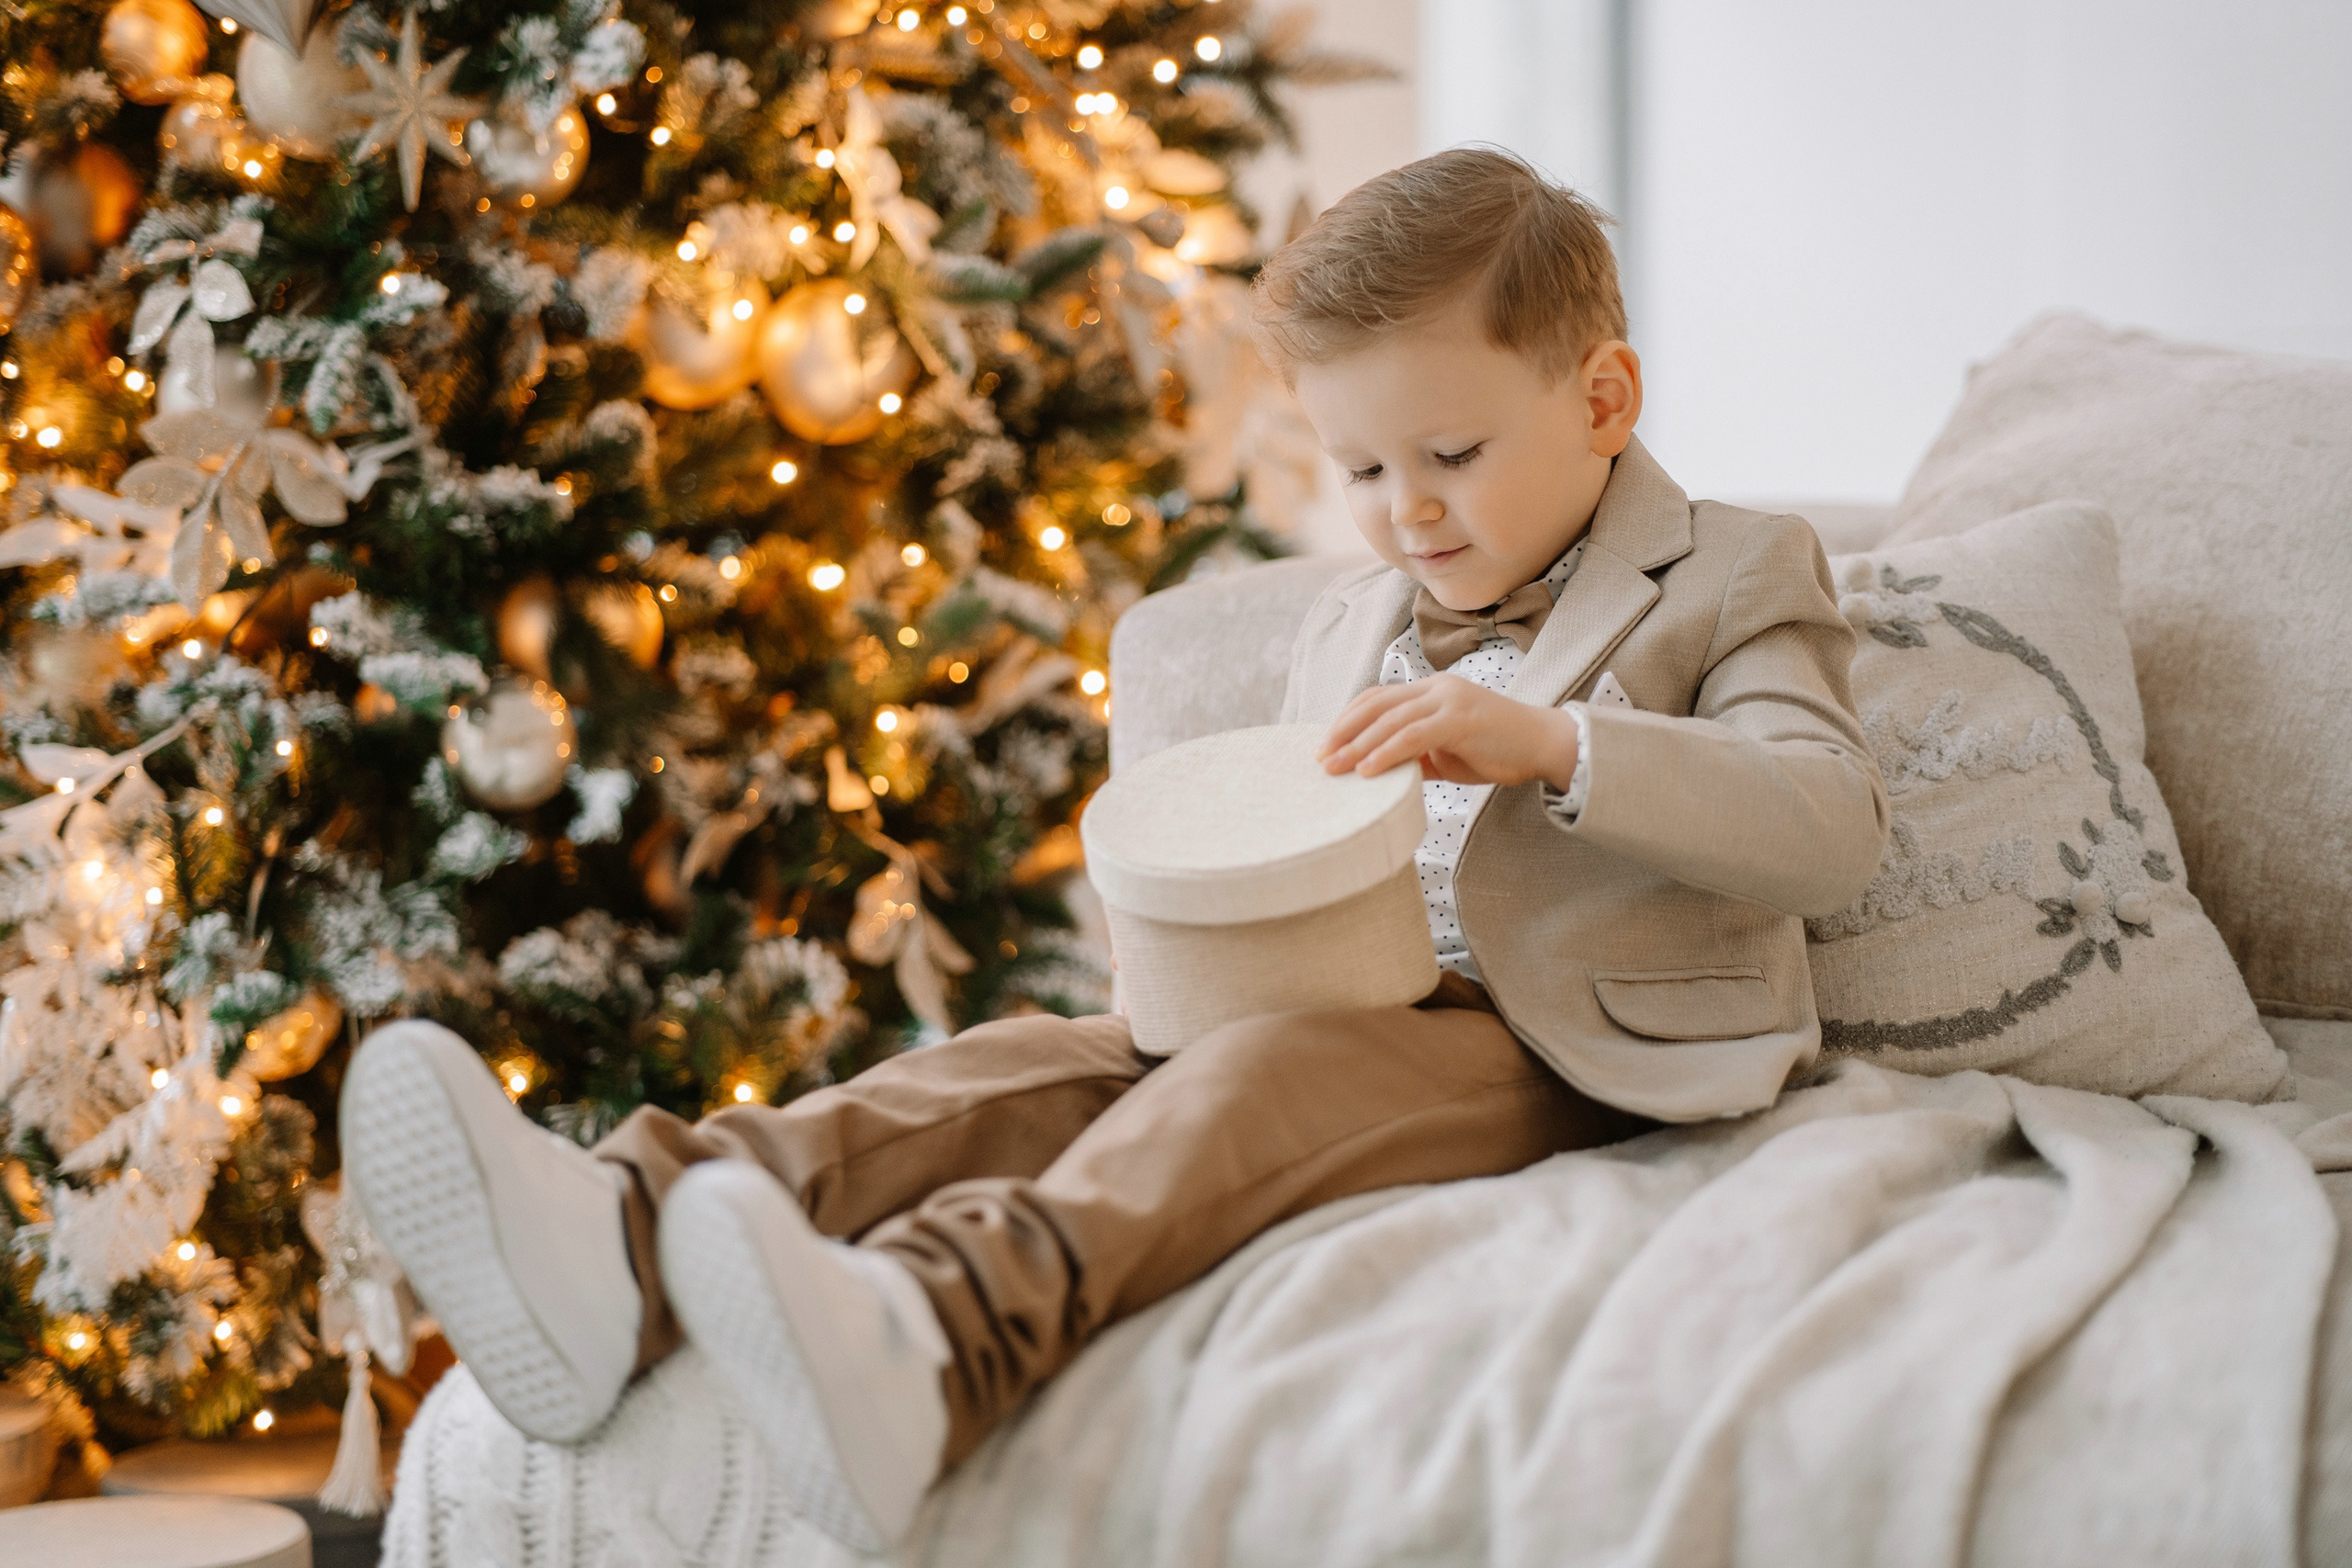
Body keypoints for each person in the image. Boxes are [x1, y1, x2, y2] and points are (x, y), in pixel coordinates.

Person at [342, 147, 1890, 1554]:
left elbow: (1826, 821)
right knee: (1020, 1063)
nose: (1405, 512)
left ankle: (938, 1342)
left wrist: (1556, 745)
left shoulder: (1735, 570)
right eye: (1360, 473)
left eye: (1452, 454)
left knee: (1252, 1086)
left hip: (1570, 1044)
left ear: (1603, 401)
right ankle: (619, 1236)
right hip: (1342, 993)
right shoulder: (1352, 619)